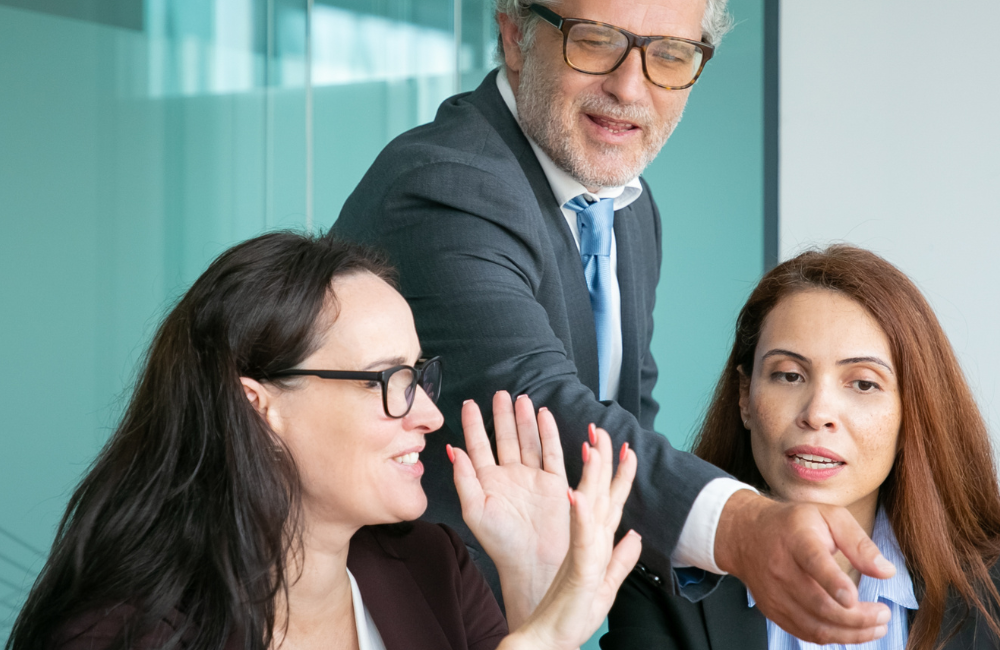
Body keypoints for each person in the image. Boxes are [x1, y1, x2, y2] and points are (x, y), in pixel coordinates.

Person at [330, 0, 893, 643]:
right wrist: (741, 528)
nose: (630, 87)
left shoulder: (626, 203)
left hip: (540, 617)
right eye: (596, 42)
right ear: (515, 36)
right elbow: (537, 399)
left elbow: (627, 416)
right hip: (409, 616)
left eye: (670, 56)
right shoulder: (448, 183)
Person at [6, 232, 642, 650]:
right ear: (260, 405)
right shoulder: (121, 635)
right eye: (389, 380)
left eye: (419, 376)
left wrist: (532, 595)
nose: (426, 413)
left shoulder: (433, 567)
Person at [601, 245, 1000, 650]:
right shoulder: (661, 576)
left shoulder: (992, 591)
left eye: (863, 383)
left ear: (912, 415)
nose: (817, 413)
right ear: (745, 396)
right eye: (789, 376)